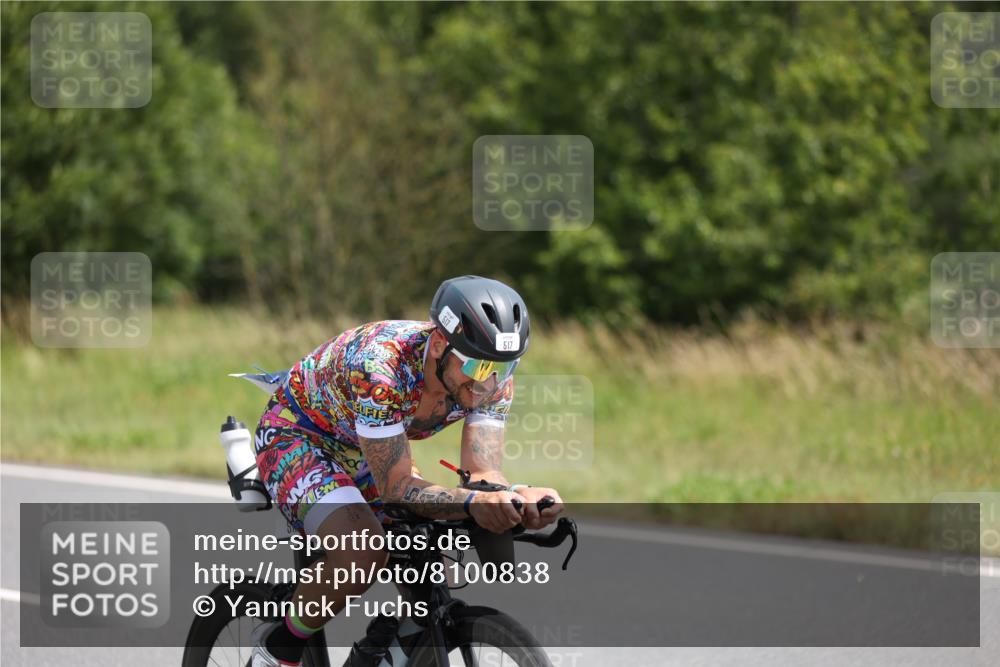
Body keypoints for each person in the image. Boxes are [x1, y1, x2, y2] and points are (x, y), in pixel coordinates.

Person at [249, 275, 564, 667]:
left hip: (370, 443)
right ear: (438, 345)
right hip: (300, 437)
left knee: (429, 557)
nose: (490, 381)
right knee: (363, 550)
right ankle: (279, 647)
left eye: (504, 365)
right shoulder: (381, 368)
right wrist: (473, 501)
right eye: (479, 365)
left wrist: (516, 498)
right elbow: (397, 487)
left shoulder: (494, 381)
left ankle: (392, 647)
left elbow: (482, 472)